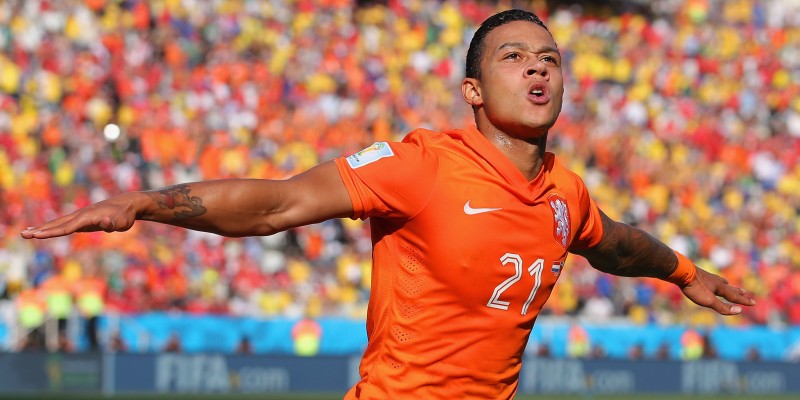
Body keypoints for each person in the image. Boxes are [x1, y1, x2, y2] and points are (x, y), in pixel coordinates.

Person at [21, 9, 756, 400]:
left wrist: (686, 273)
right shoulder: (422, 165)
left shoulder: (567, 192)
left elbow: (614, 242)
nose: (537, 67)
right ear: (473, 91)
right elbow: (277, 204)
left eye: (549, 59)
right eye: (513, 57)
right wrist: (147, 202)